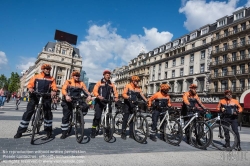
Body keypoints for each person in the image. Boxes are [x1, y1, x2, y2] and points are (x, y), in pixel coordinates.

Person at [14, 64, 57, 139]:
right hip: (35, 96)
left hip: (46, 96)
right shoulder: (36, 76)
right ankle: (20, 131)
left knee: (48, 113)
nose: (47, 70)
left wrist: (54, 91)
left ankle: (48, 131)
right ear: (43, 69)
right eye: (46, 69)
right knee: (28, 112)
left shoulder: (52, 78)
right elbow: (30, 84)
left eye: (49, 69)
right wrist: (30, 88)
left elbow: (54, 87)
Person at [60, 70, 92, 139]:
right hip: (68, 99)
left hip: (77, 99)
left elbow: (85, 90)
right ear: (73, 76)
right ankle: (64, 132)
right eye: (76, 76)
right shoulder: (68, 82)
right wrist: (66, 95)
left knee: (85, 106)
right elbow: (64, 89)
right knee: (66, 116)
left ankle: (79, 117)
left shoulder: (81, 83)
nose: (77, 77)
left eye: (78, 76)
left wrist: (89, 96)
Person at [90, 70, 118, 138]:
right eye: (107, 75)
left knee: (108, 117)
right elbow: (95, 90)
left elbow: (115, 91)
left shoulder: (111, 84)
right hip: (99, 101)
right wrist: (98, 96)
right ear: (104, 75)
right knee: (97, 117)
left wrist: (116, 97)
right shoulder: (99, 82)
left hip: (108, 101)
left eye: (109, 75)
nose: (108, 76)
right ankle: (93, 130)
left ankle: (107, 131)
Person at [121, 75, 147, 140]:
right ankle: (123, 133)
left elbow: (141, 95)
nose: (137, 82)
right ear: (132, 81)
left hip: (134, 104)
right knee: (126, 118)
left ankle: (131, 133)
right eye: (136, 81)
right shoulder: (128, 86)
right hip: (127, 104)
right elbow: (124, 94)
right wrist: (128, 97)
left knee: (132, 119)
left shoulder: (138, 88)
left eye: (138, 81)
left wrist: (146, 100)